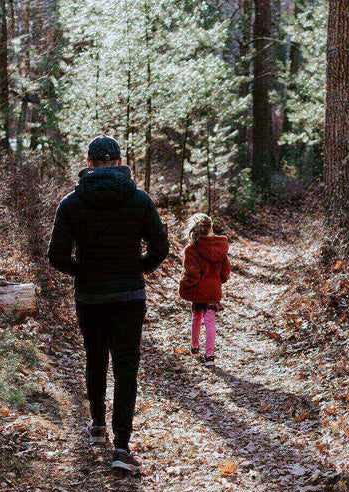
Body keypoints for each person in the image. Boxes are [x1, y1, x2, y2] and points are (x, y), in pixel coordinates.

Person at [48, 135, 169, 473]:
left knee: (95, 357)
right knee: (126, 367)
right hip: (130, 296)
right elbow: (161, 247)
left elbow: (56, 255)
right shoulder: (139, 200)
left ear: (89, 163)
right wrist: (138, 269)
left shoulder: (72, 203)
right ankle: (121, 447)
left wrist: (82, 271)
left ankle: (98, 425)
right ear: (118, 162)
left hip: (90, 295)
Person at [178, 214, 230, 367]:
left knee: (196, 317)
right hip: (213, 291)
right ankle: (210, 356)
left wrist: (184, 286)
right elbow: (225, 272)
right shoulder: (220, 247)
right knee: (210, 321)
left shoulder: (191, 249)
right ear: (210, 229)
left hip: (198, 291)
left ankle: (194, 348)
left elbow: (191, 274)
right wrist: (217, 282)